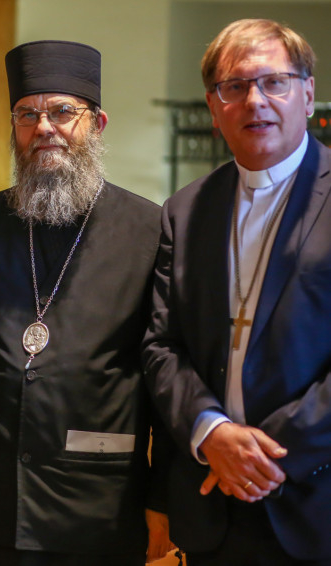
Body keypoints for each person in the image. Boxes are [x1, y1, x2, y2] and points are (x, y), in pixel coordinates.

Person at [0, 40, 171, 566]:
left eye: (62, 112)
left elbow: (165, 372)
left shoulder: (149, 230)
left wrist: (164, 497)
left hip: (95, 505)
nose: (43, 128)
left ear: (97, 124)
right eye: (27, 115)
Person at [142, 18, 331, 566]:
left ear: (307, 93)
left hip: (316, 500)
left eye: (275, 82)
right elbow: (161, 344)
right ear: (213, 106)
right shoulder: (185, 210)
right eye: (235, 87)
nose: (255, 101)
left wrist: (265, 455)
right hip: (212, 502)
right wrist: (212, 432)